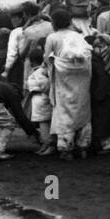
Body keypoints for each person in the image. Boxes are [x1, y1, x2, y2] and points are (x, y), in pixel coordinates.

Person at [43, 8, 93, 159]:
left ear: (54, 22)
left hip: (62, 80)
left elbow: (47, 59)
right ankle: (83, 145)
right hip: (82, 80)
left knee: (64, 111)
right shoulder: (79, 36)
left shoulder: (52, 37)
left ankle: (66, 148)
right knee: (82, 109)